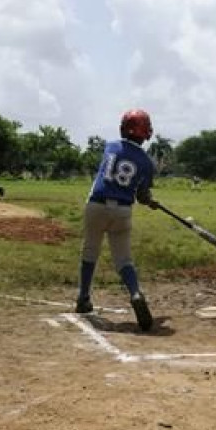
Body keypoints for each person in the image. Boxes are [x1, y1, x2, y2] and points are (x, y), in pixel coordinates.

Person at [75, 109, 158, 332]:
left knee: (90, 250)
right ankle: (135, 293)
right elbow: (141, 195)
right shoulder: (148, 163)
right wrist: (149, 200)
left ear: (124, 127)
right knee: (123, 259)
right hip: (122, 211)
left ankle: (83, 298)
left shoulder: (111, 146)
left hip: (96, 206)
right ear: (145, 133)